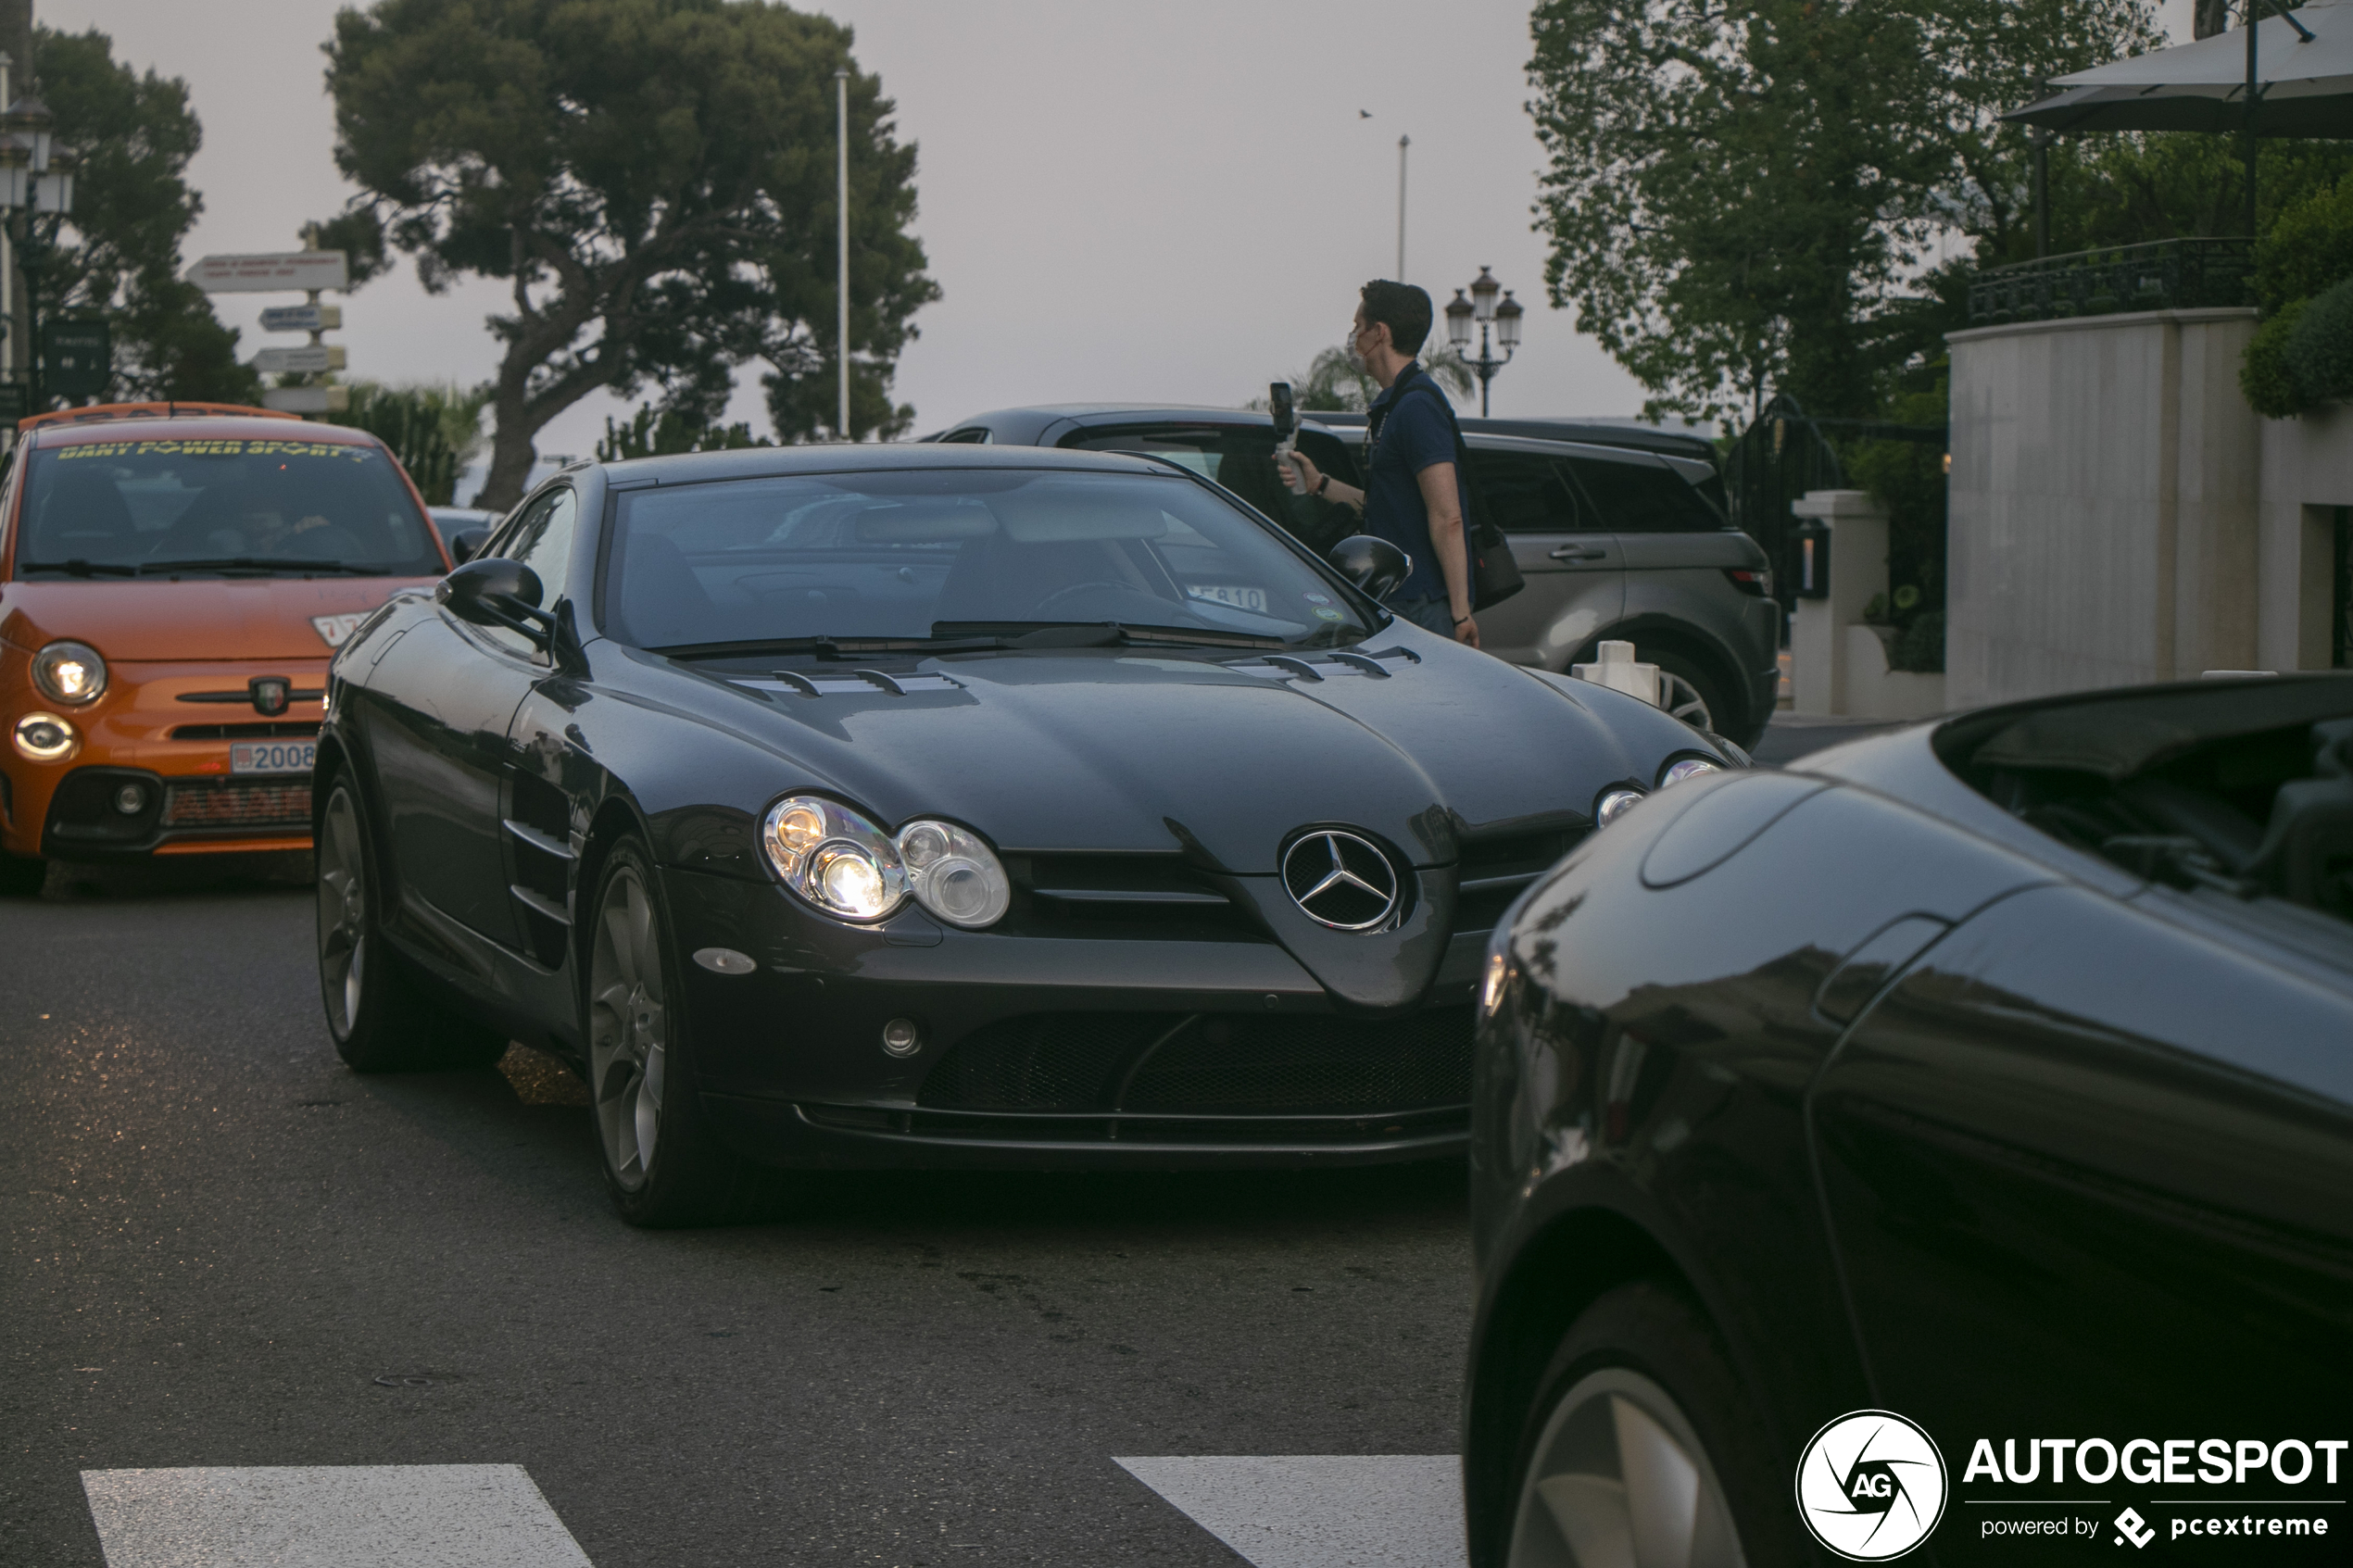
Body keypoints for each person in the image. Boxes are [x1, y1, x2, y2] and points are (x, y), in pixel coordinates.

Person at [1276, 281, 1478, 646]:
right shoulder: (1395, 405)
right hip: (1400, 598)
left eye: (1357, 327)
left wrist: (1460, 614)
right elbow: (1386, 506)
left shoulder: (1416, 407)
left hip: (1420, 601)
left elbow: (1447, 516)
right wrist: (1319, 483)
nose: (1353, 338)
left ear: (1379, 333)